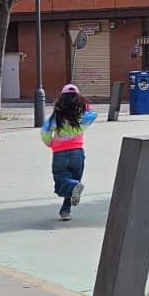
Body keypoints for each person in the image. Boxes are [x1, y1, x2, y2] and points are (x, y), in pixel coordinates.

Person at [41, 84, 97, 221]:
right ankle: (65, 210)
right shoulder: (82, 117)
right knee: (73, 182)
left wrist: (50, 143)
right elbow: (93, 114)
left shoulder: (57, 116)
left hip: (59, 153)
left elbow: (45, 131)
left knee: (61, 184)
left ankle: (71, 195)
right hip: (77, 153)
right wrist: (85, 107)